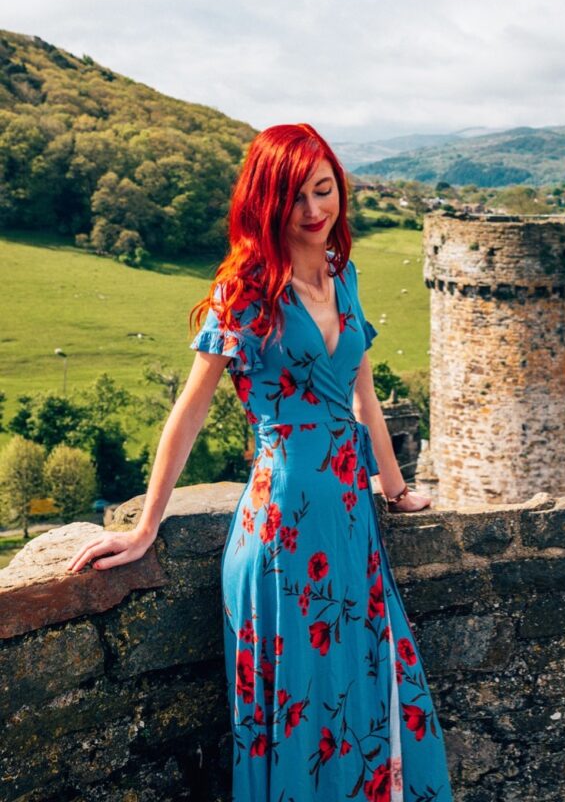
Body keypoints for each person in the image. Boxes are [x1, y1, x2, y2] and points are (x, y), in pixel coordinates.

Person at [66, 123, 454, 802]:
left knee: (375, 701)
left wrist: (393, 488)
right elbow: (188, 411)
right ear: (265, 202)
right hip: (280, 539)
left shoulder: (345, 275)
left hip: (350, 528)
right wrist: (144, 526)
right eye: (295, 196)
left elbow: (361, 390)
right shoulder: (243, 291)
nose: (313, 210)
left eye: (324, 190)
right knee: (303, 726)